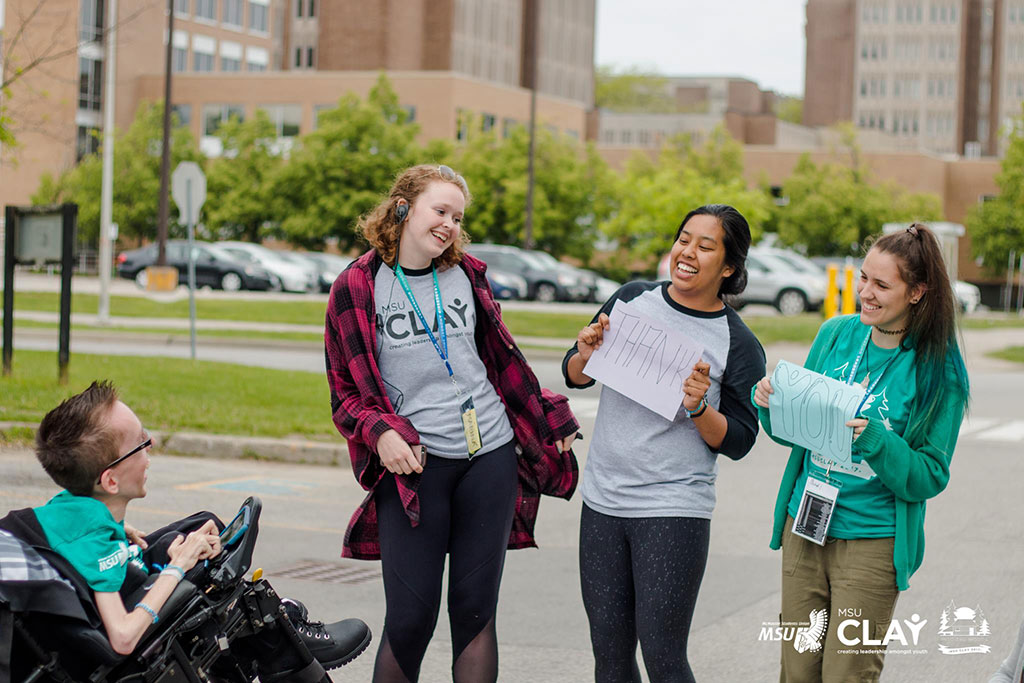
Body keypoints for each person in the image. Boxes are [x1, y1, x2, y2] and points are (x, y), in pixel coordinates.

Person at [324, 164, 580, 683]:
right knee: (410, 620)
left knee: (475, 613)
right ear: (403, 208)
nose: (449, 225)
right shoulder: (359, 284)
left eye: (458, 217)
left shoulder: (466, 274)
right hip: (415, 466)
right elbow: (344, 395)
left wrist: (549, 414)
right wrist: (380, 432)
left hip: (490, 457)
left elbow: (501, 362)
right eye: (440, 211)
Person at [14, 380, 369, 673]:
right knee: (207, 572)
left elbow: (71, 536)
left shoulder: (69, 509)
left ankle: (276, 633)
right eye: (141, 443)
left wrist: (118, 531)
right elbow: (121, 637)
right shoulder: (96, 544)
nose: (151, 444)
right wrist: (177, 567)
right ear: (110, 481)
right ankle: (282, 641)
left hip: (102, 585)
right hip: (120, 628)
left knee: (201, 526)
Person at [752, 224, 970, 682]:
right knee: (796, 671)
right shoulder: (836, 334)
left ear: (917, 292)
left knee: (846, 674)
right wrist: (771, 406)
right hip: (805, 524)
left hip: (872, 540)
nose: (865, 293)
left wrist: (876, 441)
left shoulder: (939, 369)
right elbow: (798, 434)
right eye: (863, 278)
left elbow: (930, 474)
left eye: (881, 285)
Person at [562, 204, 766, 683]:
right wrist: (585, 354)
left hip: (672, 508)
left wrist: (699, 408)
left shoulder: (737, 342)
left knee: (664, 657)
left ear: (729, 267)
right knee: (610, 658)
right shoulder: (631, 298)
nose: (687, 252)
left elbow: (740, 440)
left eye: (705, 246)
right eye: (683, 239)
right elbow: (576, 374)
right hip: (603, 500)